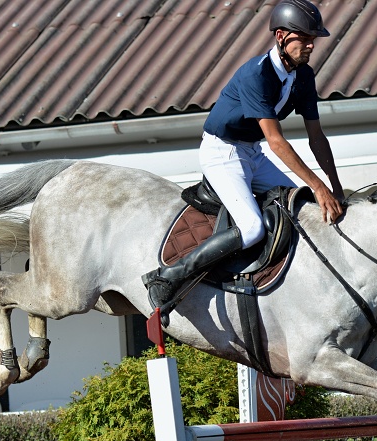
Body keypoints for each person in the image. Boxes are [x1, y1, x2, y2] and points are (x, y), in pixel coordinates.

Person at [143, 0, 345, 310]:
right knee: (251, 229)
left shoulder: (303, 76)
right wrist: (317, 186)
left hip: (252, 153)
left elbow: (316, 136)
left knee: (301, 209)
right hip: (222, 153)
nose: (311, 45)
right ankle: (168, 276)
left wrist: (334, 185)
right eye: (304, 38)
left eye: (312, 39)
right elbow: (277, 142)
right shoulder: (256, 75)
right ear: (281, 37)